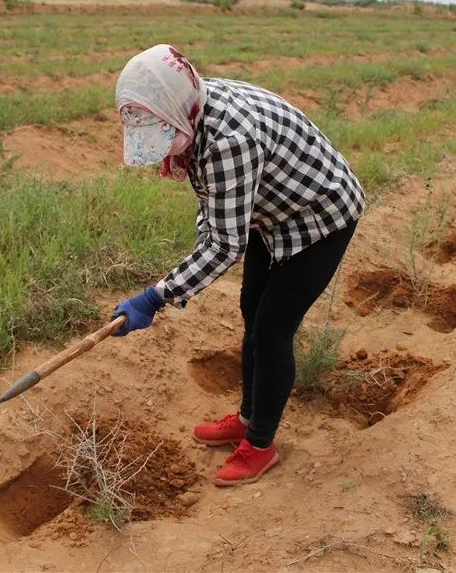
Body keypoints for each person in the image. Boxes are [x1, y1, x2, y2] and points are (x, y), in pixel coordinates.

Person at [111, 44, 365, 486]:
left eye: (163, 135)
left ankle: (261, 444)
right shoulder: (195, 108)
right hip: (271, 214)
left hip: (321, 217)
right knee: (252, 309)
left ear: (180, 112)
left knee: (271, 330)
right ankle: (248, 418)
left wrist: (156, 297)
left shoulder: (229, 140)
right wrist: (191, 259)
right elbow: (216, 203)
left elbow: (225, 245)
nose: (163, 148)